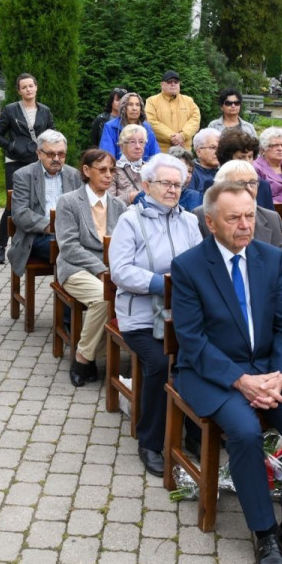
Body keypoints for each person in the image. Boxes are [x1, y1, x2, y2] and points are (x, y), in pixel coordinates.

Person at [171, 182, 282, 564]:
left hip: (270, 370)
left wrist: (280, 372)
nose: (245, 225)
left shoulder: (270, 256)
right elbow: (192, 340)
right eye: (234, 218)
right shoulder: (189, 266)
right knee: (243, 432)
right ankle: (265, 533)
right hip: (213, 372)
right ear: (210, 223)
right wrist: (241, 381)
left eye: (249, 216)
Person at [110, 155, 204, 477]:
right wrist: (162, 284)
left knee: (203, 355)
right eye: (166, 183)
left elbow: (203, 266)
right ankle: (150, 442)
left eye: (178, 184)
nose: (173, 189)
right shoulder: (130, 221)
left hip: (183, 316)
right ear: (147, 185)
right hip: (140, 317)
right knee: (162, 364)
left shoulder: (190, 221)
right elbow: (120, 272)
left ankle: (195, 433)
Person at [54, 150, 128, 386]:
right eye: (102, 170)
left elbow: (125, 244)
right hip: (75, 267)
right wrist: (100, 269)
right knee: (102, 298)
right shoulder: (68, 201)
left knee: (125, 297)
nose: (109, 176)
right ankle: (83, 358)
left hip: (109, 268)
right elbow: (68, 246)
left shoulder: (117, 205)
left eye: (112, 170)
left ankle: (91, 355)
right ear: (86, 171)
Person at [0, 73, 55, 265]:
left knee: (37, 202)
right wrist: (12, 147)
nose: (28, 89)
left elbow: (53, 133)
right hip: (15, 162)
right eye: (24, 87)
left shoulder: (45, 111)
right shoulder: (11, 110)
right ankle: (1, 247)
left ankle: (29, 244)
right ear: (19, 90)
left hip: (37, 162)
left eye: (31, 86)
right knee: (12, 204)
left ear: (36, 87)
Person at [8, 130, 82, 274]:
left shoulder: (74, 175)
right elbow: (20, 213)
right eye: (50, 154)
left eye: (61, 154)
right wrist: (51, 226)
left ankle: (74, 289)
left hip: (70, 234)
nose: (56, 158)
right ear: (39, 153)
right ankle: (70, 291)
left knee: (90, 246)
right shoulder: (23, 175)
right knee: (67, 249)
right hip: (37, 236)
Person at [192, 160, 282, 258]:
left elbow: (281, 263)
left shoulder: (271, 218)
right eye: (240, 184)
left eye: (252, 182)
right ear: (220, 187)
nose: (249, 189)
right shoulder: (201, 215)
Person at [145, 70, 200, 152]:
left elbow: (195, 120)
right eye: (169, 81)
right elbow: (151, 122)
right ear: (162, 85)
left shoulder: (189, 101)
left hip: (184, 150)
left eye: (176, 82)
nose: (173, 84)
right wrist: (173, 137)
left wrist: (182, 136)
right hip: (161, 151)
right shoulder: (151, 101)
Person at [99, 92, 159, 161]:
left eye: (137, 105)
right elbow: (107, 156)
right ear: (123, 107)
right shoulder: (111, 127)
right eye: (130, 104)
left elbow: (155, 155)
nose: (134, 108)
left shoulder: (147, 127)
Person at [110, 124, 148, 205]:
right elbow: (108, 203)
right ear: (122, 146)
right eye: (132, 142)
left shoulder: (151, 169)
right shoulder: (112, 170)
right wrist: (130, 197)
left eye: (141, 142)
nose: (138, 146)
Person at [186, 128, 221, 194]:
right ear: (199, 152)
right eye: (212, 148)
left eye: (220, 147)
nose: (218, 152)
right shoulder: (191, 173)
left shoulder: (224, 170)